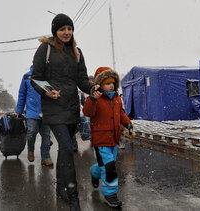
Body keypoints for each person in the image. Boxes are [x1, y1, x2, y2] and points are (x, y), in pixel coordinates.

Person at [31, 13, 93, 211]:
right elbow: (36, 78)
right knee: (67, 148)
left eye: (69, 29)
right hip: (53, 107)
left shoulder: (77, 52)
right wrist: (49, 91)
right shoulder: (45, 49)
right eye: (62, 29)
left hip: (72, 107)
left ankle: (60, 189)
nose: (66, 32)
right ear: (55, 32)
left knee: (65, 151)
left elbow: (82, 79)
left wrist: (92, 89)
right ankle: (74, 197)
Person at [82, 67, 133, 208]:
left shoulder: (117, 98)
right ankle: (110, 194)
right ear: (100, 85)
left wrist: (128, 124)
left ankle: (95, 171)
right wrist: (92, 98)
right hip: (101, 139)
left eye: (113, 82)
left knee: (106, 165)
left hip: (114, 138)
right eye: (107, 83)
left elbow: (121, 114)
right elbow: (87, 112)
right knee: (109, 167)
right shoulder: (96, 99)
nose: (111, 85)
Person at [15, 65, 53, 167]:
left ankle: (45, 157)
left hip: (46, 111)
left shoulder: (48, 75)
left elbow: (52, 92)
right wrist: (18, 110)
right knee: (31, 132)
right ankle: (30, 150)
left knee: (46, 135)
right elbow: (22, 94)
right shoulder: (27, 76)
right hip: (32, 111)